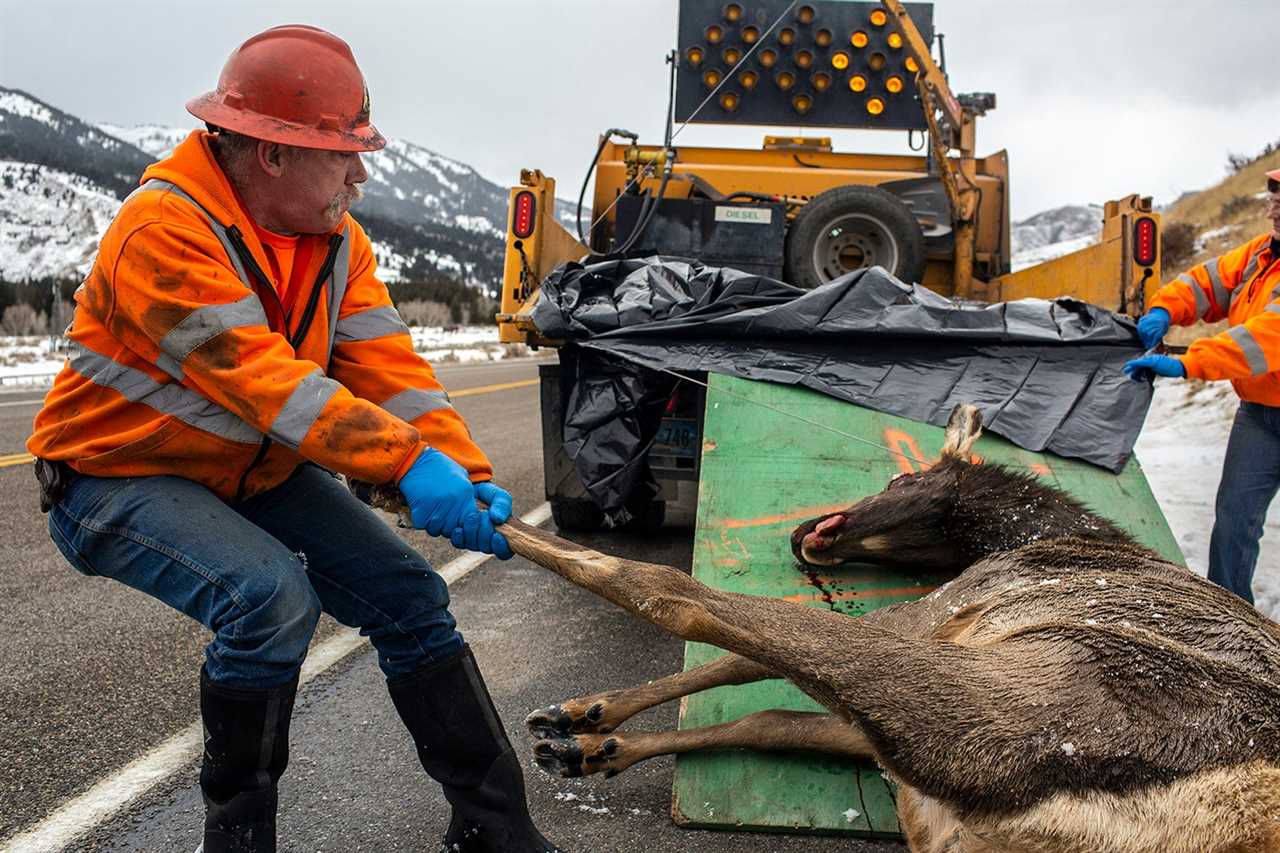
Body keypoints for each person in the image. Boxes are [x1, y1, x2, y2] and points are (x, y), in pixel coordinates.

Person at [27, 25, 560, 853]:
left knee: (411, 596)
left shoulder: (339, 242)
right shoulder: (162, 231)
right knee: (268, 600)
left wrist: (461, 467)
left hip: (245, 471)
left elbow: (391, 368)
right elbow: (267, 382)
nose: (362, 171)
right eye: (343, 152)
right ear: (272, 152)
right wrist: (405, 463)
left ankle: (496, 829)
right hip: (114, 477)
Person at [1123, 168, 1280, 606]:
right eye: (1273, 197)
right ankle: (1227, 620)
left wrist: (1189, 363)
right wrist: (1164, 310)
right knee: (1234, 522)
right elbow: (1207, 282)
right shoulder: (1262, 254)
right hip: (1261, 417)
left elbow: (1264, 338)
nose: (1272, 207)